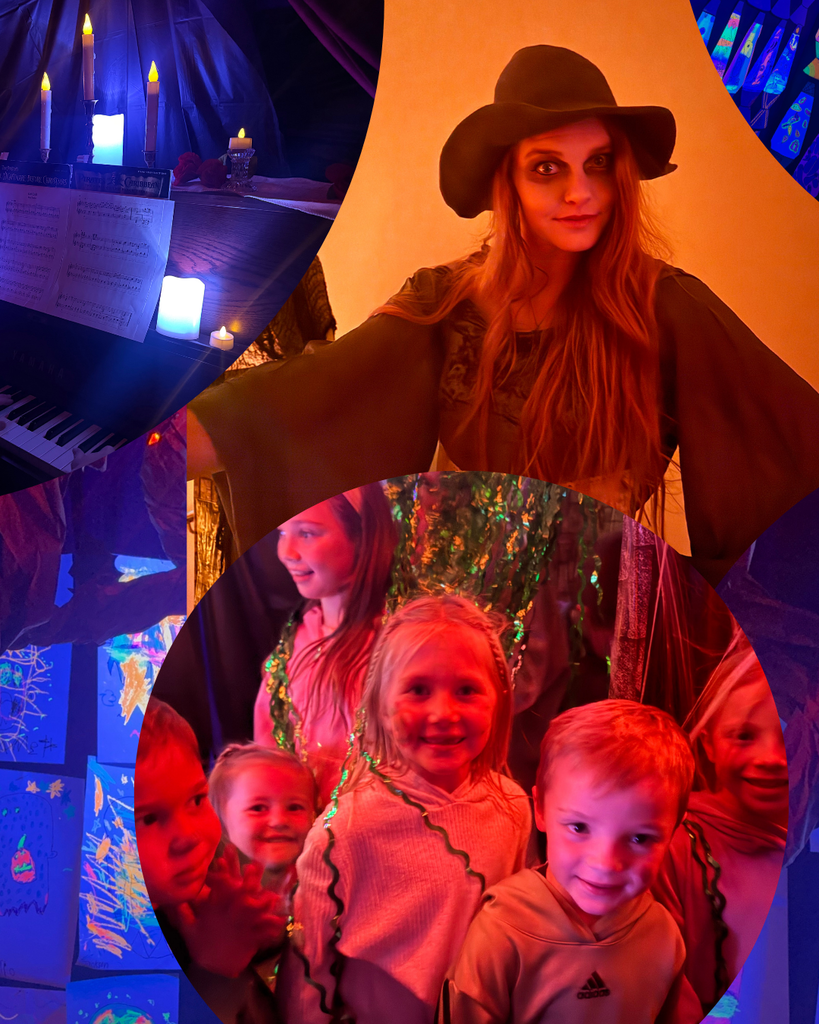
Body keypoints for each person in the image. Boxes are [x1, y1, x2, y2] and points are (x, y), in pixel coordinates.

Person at [187, 44, 819, 589]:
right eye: (548, 168)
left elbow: (789, 448)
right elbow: (297, 403)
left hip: (603, 646)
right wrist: (155, 445)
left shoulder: (665, 309)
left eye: (598, 163)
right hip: (451, 635)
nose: (581, 193)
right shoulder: (447, 307)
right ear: (506, 181)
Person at [277, 595, 532, 1024]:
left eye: (467, 690)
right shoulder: (344, 830)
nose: (442, 714)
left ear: (498, 701)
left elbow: (526, 931)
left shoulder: (514, 808)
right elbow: (308, 967)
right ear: (379, 702)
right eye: (418, 690)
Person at [441, 699, 702, 1024]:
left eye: (639, 839)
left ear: (674, 830)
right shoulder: (501, 931)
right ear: (540, 810)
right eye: (579, 827)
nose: (606, 863)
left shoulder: (663, 936)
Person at [653, 638, 788, 1016]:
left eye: (789, 735)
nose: (772, 759)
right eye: (744, 736)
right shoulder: (676, 848)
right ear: (709, 744)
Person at [135, 699, 284, 1024]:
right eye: (147, 819)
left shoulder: (210, 869)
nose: (189, 836)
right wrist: (216, 968)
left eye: (196, 800)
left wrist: (249, 920)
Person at [254, 481, 396, 808]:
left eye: (307, 533)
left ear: (362, 537)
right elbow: (269, 745)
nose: (286, 553)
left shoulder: (396, 647)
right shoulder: (295, 644)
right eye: (281, 533)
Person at [208, 742, 318, 912]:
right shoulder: (212, 893)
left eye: (295, 807)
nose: (279, 821)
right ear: (220, 818)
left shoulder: (322, 880)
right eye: (258, 808)